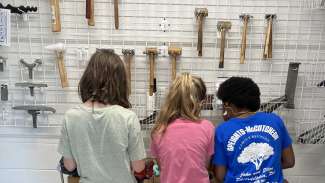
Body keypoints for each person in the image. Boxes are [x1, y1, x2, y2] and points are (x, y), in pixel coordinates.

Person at [57, 49, 146, 183]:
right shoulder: (128, 117)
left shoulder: (71, 117)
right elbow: (139, 167)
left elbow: (69, 165)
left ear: (88, 77)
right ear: (120, 82)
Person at [213, 77, 295, 183]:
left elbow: (220, 175)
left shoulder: (222, 130)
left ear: (227, 104)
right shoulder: (275, 120)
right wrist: (264, 171)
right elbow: (289, 161)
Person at [150, 73, 215, 183]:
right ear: (201, 103)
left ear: (171, 99)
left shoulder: (159, 130)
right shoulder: (208, 127)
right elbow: (204, 165)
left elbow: (162, 167)